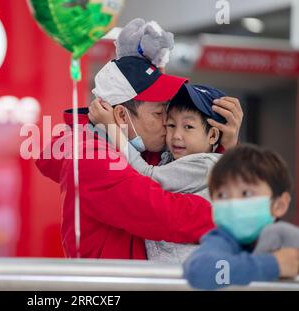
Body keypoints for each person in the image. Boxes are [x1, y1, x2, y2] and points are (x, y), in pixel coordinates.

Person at [36, 53, 243, 259]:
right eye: (159, 114)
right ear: (121, 116)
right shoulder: (91, 159)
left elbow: (196, 176)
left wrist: (224, 147)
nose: (168, 125)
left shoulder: (145, 150)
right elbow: (165, 216)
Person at [88, 83, 228, 262]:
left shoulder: (207, 164)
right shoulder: (172, 157)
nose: (176, 135)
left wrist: (111, 127)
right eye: (170, 124)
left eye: (188, 127)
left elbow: (148, 176)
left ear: (213, 136)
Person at [183, 144, 299, 290]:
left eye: (246, 193)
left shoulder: (287, 237)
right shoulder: (221, 240)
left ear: (279, 205)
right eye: (222, 195)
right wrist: (275, 264)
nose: (233, 203)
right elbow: (201, 271)